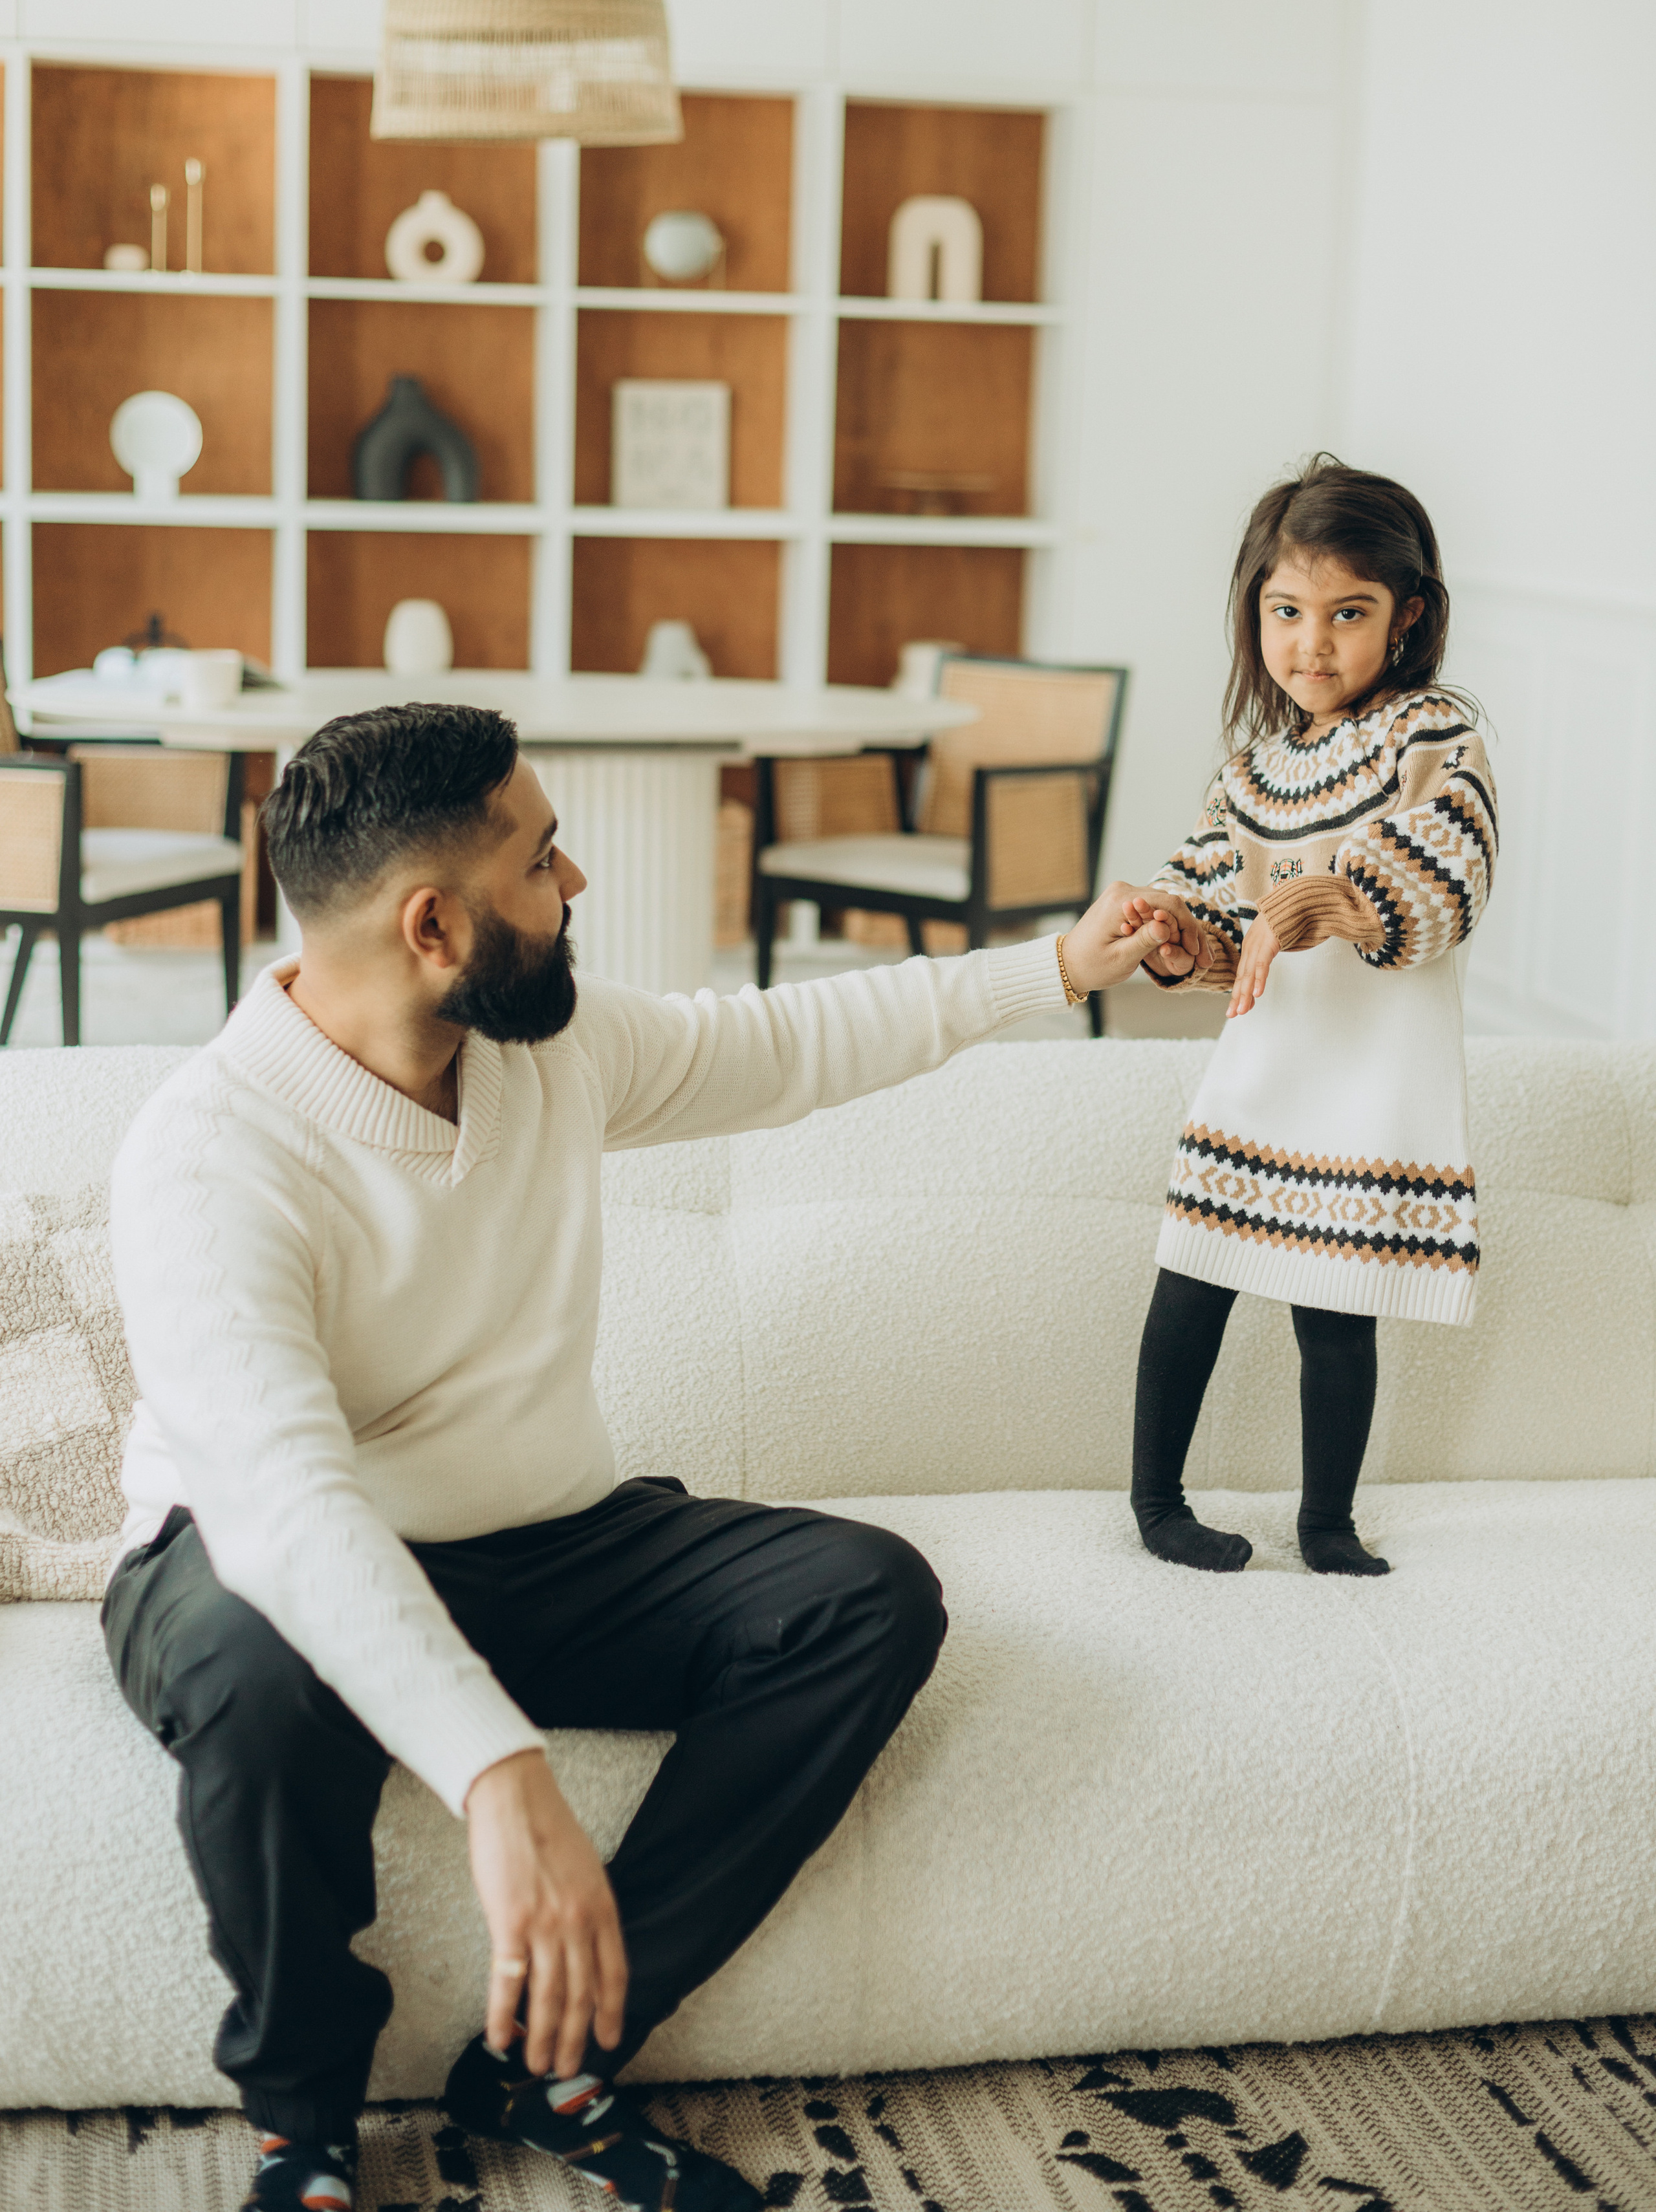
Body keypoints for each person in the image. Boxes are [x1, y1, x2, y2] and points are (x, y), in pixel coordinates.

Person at [100, 700, 1186, 2212]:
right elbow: (283, 1510)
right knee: (258, 1661)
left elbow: (786, 1042)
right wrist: (498, 1774)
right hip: (246, 1560)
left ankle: (547, 2065)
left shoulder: (547, 1047)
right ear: (433, 926)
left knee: (860, 1594)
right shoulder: (208, 1155)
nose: (576, 883)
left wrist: (1052, 966)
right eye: (541, 859)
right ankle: (307, 2131)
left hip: (541, 1542)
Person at [1112, 456, 1497, 1578]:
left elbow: (1453, 868)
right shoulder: (1252, 773)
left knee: (1338, 1304)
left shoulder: (1431, 736)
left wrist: (1332, 897)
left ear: (1407, 615)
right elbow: (1208, 894)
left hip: (1373, 1075)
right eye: (1286, 612)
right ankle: (1155, 1502)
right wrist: (1174, 931)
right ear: (1254, 612)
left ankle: (1328, 1522)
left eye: (1348, 613)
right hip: (1267, 1062)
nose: (1311, 643)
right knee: (1193, 1270)